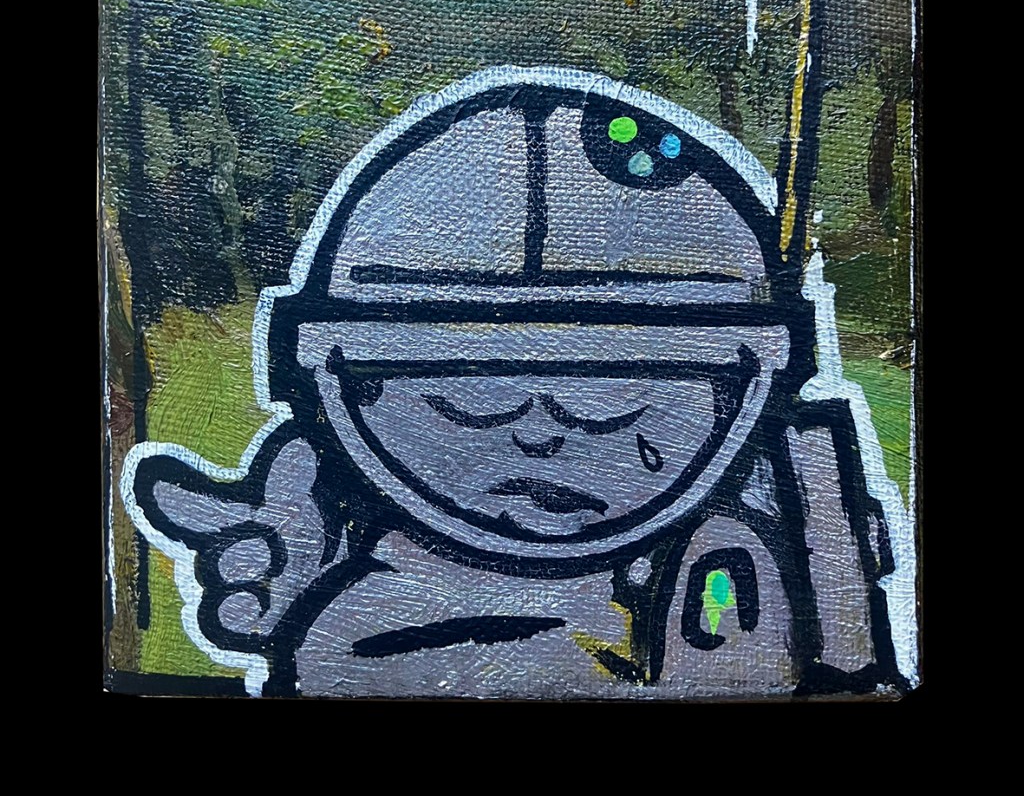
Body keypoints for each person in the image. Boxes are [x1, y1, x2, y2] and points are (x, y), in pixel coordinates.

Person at [122, 66, 914, 698]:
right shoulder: (360, 624)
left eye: (613, 405)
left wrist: (827, 596)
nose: (539, 431)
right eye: (467, 404)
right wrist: (312, 519)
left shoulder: (758, 543)